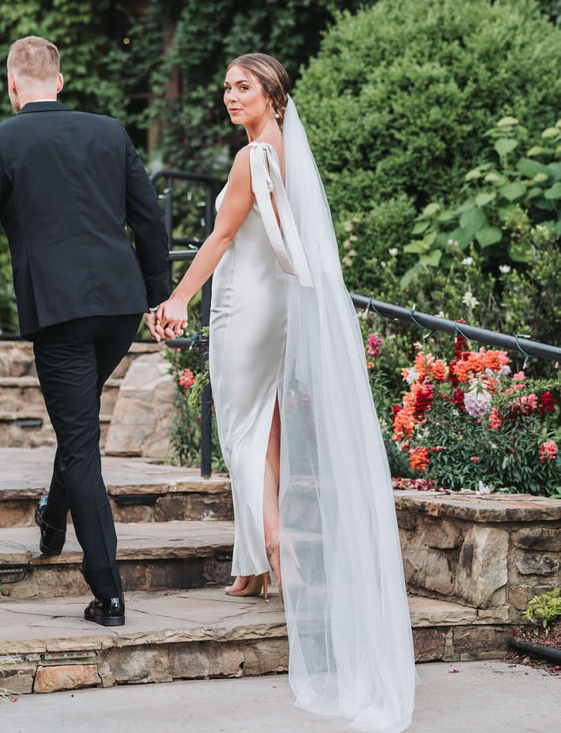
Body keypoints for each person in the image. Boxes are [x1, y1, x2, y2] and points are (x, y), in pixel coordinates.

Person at [156, 54, 417, 732]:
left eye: (244, 87)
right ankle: (251, 567)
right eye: (226, 87)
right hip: (276, 305)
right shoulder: (279, 151)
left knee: (241, 429)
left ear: (272, 95)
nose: (229, 96)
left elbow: (221, 234)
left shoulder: (252, 161)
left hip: (245, 304)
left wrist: (180, 296)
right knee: (262, 425)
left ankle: (281, 553)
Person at [0, 35, 171, 627]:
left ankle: (108, 595)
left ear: (11, 85)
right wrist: (159, 295)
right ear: (59, 81)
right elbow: (149, 219)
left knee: (80, 444)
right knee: (77, 424)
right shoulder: (110, 131)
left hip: (60, 312)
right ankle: (53, 518)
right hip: (119, 308)